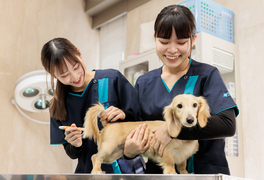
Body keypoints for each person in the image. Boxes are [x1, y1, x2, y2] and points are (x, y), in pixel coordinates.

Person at [123, 4, 239, 175]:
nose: (172, 49)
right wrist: (129, 151)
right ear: (155, 38)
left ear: (193, 40)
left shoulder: (207, 75)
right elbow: (133, 130)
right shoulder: (144, 83)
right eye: (164, 42)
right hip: (160, 174)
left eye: (181, 42)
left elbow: (227, 124)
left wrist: (172, 130)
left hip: (204, 173)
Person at [40, 37, 145, 173]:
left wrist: (125, 115)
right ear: (52, 74)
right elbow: (72, 153)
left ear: (79, 54)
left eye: (76, 67)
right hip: (91, 172)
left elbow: (141, 120)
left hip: (129, 169)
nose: (74, 76)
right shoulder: (57, 106)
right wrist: (75, 144)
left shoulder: (112, 79)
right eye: (64, 75)